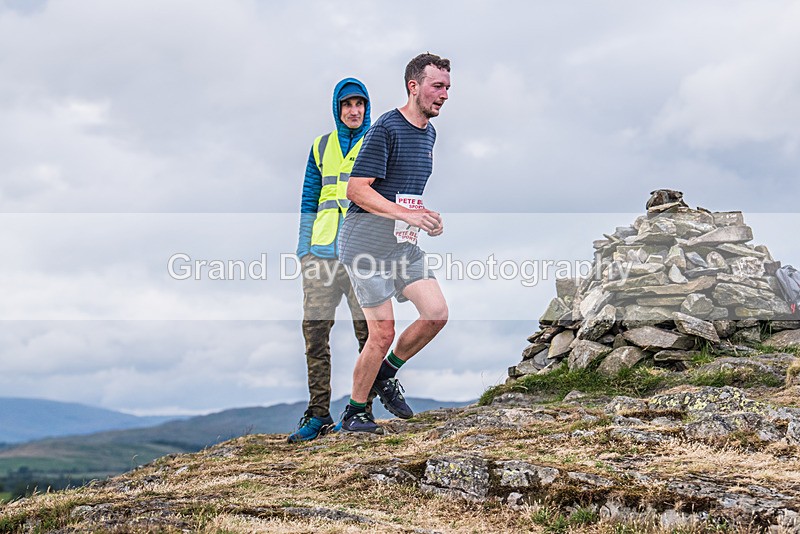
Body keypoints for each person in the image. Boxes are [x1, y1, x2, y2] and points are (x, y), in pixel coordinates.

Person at [336, 53, 451, 433]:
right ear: (413, 86)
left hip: (402, 245)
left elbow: (404, 195)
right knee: (382, 333)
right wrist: (406, 215)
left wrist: (424, 218)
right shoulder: (386, 128)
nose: (445, 94)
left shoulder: (430, 134)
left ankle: (385, 375)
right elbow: (356, 190)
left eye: (448, 87)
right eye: (438, 86)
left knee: (436, 313)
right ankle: (355, 412)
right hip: (365, 244)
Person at [288, 78, 376, 443]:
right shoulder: (321, 146)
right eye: (346, 105)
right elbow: (310, 198)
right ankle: (318, 413)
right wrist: (304, 249)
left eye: (359, 104)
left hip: (364, 254)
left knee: (368, 334)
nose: (353, 111)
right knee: (315, 333)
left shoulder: (378, 140)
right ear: (338, 109)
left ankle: (362, 411)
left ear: (366, 108)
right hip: (321, 255)